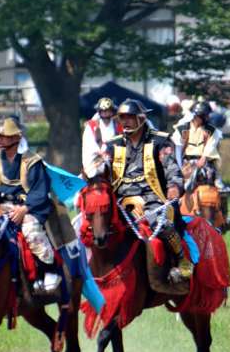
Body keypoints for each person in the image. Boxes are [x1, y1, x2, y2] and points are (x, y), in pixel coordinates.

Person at [102, 99, 193, 284]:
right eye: (122, 118)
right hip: (120, 199)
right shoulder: (113, 144)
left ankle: (183, 262)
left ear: (141, 118)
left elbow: (172, 169)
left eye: (129, 117)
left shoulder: (159, 141)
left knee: (162, 225)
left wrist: (174, 187)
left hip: (152, 198)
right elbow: (101, 170)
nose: (124, 122)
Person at [0, 116, 60, 295]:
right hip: (1, 208)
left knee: (31, 229)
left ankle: (49, 270)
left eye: (4, 135)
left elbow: (40, 190)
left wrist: (24, 209)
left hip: (29, 207)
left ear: (16, 138)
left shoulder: (33, 161)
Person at [81, 97, 122, 178]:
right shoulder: (91, 125)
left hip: (114, 158)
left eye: (109, 111)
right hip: (96, 159)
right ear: (99, 112)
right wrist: (103, 155)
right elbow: (90, 145)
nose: (107, 113)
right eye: (105, 111)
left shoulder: (118, 126)